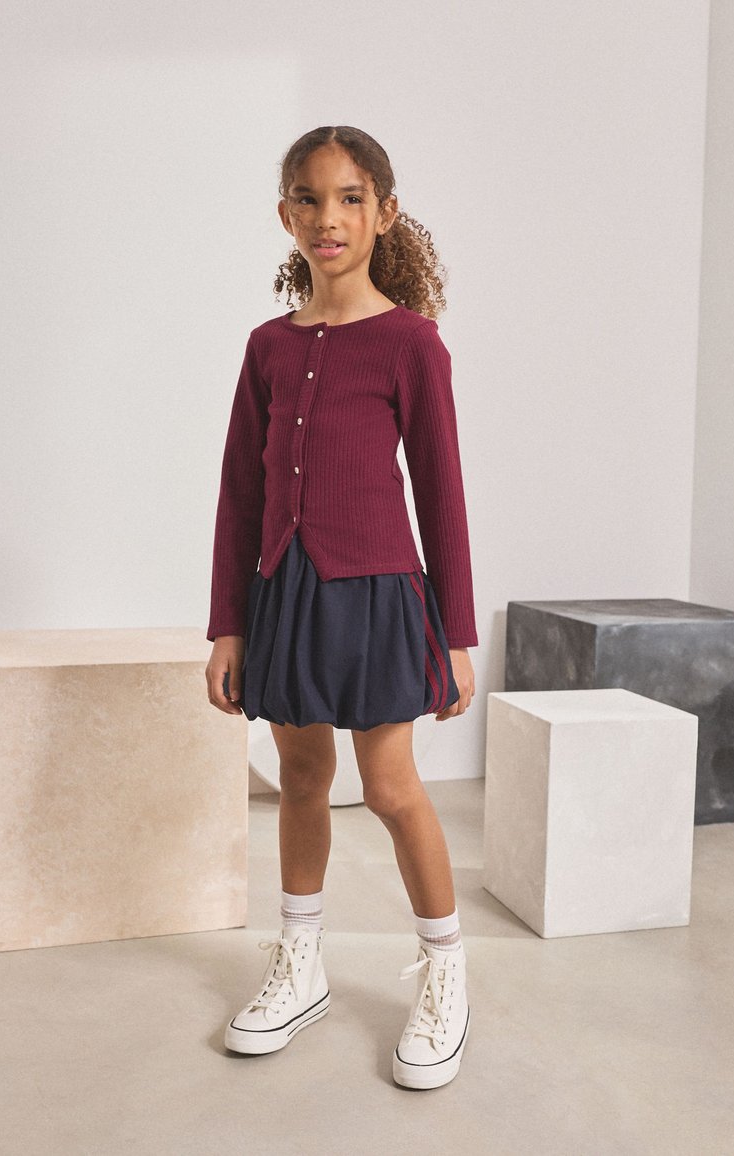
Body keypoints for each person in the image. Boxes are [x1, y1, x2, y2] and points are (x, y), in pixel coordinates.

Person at [205, 125, 477, 1090]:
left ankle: (446, 972)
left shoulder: (411, 344)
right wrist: (228, 623)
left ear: (385, 213)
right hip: (284, 590)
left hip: (379, 596)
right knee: (302, 776)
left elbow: (441, 493)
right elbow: (240, 493)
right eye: (310, 198)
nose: (330, 217)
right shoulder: (268, 347)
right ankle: (301, 963)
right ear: (287, 215)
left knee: (393, 788)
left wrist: (456, 636)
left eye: (351, 198)